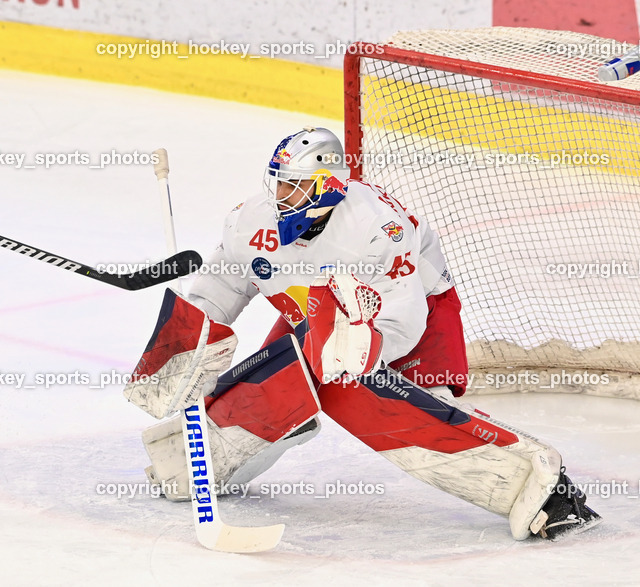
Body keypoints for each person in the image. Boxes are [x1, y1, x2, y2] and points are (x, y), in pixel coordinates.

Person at [124, 127, 601, 541]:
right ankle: (193, 465)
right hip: (312, 311)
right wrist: (189, 340)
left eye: (293, 187)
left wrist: (363, 350)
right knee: (273, 388)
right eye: (278, 183)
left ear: (326, 187)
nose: (280, 197)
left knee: (414, 409)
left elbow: (403, 315)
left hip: (417, 312)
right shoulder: (250, 221)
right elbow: (222, 284)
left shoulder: (376, 228)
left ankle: (546, 492)